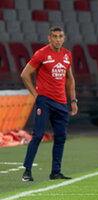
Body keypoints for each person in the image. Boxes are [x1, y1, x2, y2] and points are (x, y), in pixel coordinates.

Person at [21, 26, 78, 181]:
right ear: (49, 38)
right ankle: (27, 171)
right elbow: (25, 74)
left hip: (61, 102)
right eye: (54, 36)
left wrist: (73, 100)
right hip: (45, 101)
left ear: (64, 38)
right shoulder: (41, 54)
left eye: (60, 36)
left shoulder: (67, 55)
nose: (58, 39)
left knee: (60, 137)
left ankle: (56, 172)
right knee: (38, 135)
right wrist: (36, 96)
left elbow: (70, 78)